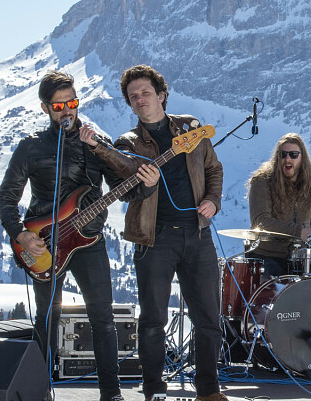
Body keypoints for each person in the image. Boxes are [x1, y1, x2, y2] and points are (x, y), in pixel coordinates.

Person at [0, 70, 153, 401]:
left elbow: (125, 192)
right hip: (44, 243)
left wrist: (146, 183)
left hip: (89, 242)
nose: (67, 110)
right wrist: (22, 235)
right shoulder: (31, 148)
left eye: (72, 103)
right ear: (45, 109)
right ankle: (37, 391)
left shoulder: (95, 143)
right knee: (46, 318)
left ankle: (111, 393)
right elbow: (6, 198)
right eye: (58, 106)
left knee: (103, 318)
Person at [89, 64, 227, 401]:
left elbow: (214, 168)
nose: (139, 99)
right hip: (154, 238)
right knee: (153, 320)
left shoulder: (190, 128)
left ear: (161, 95)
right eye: (133, 96)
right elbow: (124, 191)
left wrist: (212, 200)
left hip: (198, 234)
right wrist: (147, 188)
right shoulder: (128, 143)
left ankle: (209, 391)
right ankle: (153, 391)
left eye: (145, 93)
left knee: (208, 317)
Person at [246, 133, 311, 277]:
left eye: (293, 155)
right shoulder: (262, 181)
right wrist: (299, 232)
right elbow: (261, 221)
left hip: (301, 260)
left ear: (302, 158)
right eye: (283, 154)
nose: (288, 159)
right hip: (267, 258)